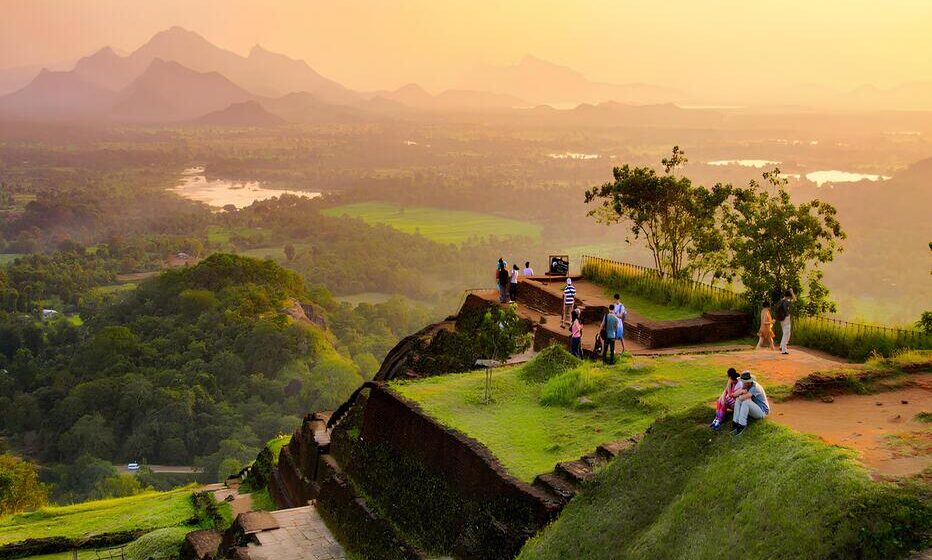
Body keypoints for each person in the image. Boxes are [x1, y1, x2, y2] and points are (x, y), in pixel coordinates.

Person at [731, 371, 770, 436]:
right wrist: (741, 391)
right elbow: (734, 395)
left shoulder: (755, 387)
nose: (742, 383)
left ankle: (741, 425)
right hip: (755, 409)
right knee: (738, 400)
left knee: (746, 402)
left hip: (762, 412)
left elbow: (743, 397)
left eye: (743, 381)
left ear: (748, 382)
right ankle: (735, 423)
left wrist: (741, 392)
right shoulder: (747, 385)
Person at [776, 289, 795, 355]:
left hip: (781, 319)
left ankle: (781, 346)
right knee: (786, 334)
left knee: (785, 332)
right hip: (786, 318)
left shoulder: (781, 300)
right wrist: (792, 292)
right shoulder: (787, 301)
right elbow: (795, 300)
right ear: (789, 296)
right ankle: (784, 350)